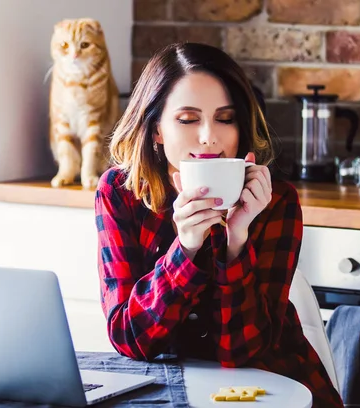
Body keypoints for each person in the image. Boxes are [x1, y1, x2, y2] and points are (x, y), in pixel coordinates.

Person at [94, 42, 343, 407]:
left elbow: (242, 352)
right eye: (188, 119)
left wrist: (236, 241)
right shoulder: (121, 193)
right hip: (169, 391)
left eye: (225, 118)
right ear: (157, 130)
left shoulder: (275, 201)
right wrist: (186, 250)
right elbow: (131, 340)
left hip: (275, 389)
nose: (210, 135)